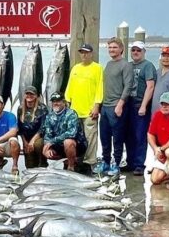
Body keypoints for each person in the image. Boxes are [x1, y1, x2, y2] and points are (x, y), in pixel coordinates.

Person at [64, 43, 103, 174]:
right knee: (75, 137)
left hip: (89, 110)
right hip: (75, 110)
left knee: (90, 137)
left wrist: (97, 105)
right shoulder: (75, 68)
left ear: (91, 53)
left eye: (86, 52)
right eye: (82, 52)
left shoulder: (97, 68)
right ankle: (76, 160)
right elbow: (69, 87)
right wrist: (67, 101)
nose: (84, 55)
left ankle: (90, 162)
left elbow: (100, 88)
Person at [98, 38, 134, 177]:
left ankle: (116, 163)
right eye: (110, 48)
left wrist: (120, 104)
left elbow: (128, 86)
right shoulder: (108, 64)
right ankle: (105, 161)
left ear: (121, 49)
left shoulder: (125, 65)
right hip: (105, 107)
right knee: (104, 137)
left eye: (114, 47)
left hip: (117, 106)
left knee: (117, 138)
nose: (111, 50)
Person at [124, 41, 156, 175]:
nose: (135, 52)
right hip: (128, 104)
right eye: (133, 50)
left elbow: (150, 86)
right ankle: (130, 162)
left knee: (140, 136)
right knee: (128, 135)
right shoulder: (128, 65)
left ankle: (139, 164)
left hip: (140, 104)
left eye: (138, 50)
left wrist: (143, 105)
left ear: (143, 52)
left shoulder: (148, 66)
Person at [41, 92, 88, 169]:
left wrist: (51, 142)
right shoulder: (49, 116)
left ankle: (71, 167)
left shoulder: (71, 113)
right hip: (60, 146)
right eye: (54, 101)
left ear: (64, 102)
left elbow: (71, 133)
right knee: (45, 149)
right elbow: (47, 135)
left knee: (68, 142)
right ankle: (65, 161)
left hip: (77, 145)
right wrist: (48, 147)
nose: (56, 103)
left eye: (58, 101)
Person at [17, 86, 48, 169]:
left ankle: (42, 165)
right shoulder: (20, 108)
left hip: (39, 138)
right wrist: (24, 142)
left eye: (32, 94)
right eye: (27, 93)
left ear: (36, 96)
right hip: (26, 138)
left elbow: (43, 127)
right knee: (29, 165)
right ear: (24, 95)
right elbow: (19, 128)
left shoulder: (42, 108)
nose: (29, 96)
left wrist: (32, 141)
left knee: (37, 145)